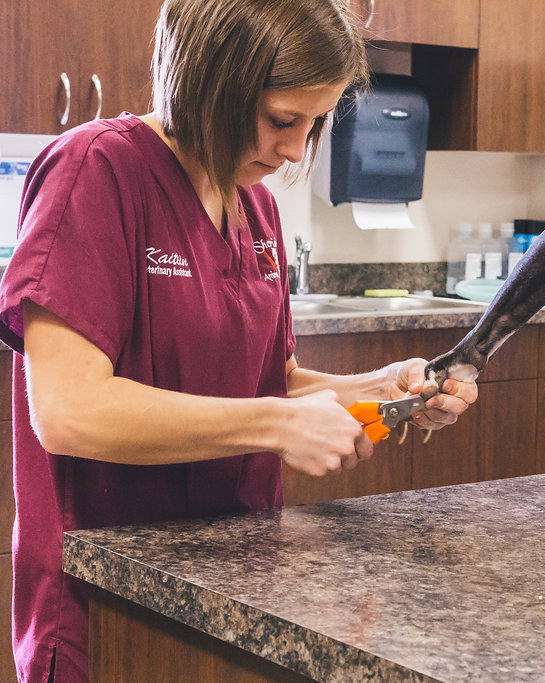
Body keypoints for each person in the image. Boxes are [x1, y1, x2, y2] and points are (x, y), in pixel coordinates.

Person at [0, 0, 477, 680]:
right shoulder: (95, 173)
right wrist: (279, 424)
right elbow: (70, 411)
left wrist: (378, 388)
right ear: (209, 80)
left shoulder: (254, 206)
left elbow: (266, 378)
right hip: (109, 603)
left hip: (233, 589)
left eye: (312, 125)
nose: (292, 150)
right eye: (282, 119)